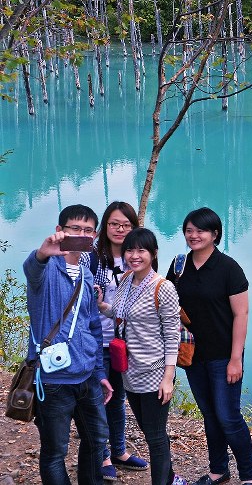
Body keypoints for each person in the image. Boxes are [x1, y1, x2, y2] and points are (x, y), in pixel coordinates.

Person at [167, 207, 252, 485]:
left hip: (223, 355)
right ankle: (219, 471)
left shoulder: (229, 268)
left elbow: (241, 315)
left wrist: (235, 359)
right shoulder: (179, 265)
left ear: (215, 234)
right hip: (193, 355)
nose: (193, 235)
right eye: (189, 230)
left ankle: (249, 476)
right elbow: (168, 304)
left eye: (200, 230)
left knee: (228, 416)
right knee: (209, 415)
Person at [23, 204, 113, 485]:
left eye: (88, 231)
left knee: (96, 441)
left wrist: (100, 373)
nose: (82, 235)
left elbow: (93, 327)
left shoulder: (86, 276)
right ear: (60, 231)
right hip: (53, 379)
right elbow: (31, 269)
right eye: (75, 228)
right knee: (55, 451)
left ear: (95, 236)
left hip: (86, 376)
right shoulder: (46, 269)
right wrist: (41, 254)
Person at [98, 228, 185, 485]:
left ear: (153, 254)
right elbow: (120, 313)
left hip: (154, 371)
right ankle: (169, 478)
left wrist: (168, 378)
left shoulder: (163, 287)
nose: (134, 256)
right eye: (130, 250)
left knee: (156, 437)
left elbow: (172, 335)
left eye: (141, 251)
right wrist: (103, 305)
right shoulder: (126, 280)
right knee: (150, 431)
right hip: (129, 370)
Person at [93, 201, 148, 481]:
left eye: (126, 225)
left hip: (124, 342)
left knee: (118, 398)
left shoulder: (135, 257)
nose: (120, 229)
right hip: (96, 341)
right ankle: (101, 456)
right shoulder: (91, 257)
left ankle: (119, 450)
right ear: (105, 226)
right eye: (114, 224)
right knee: (99, 399)